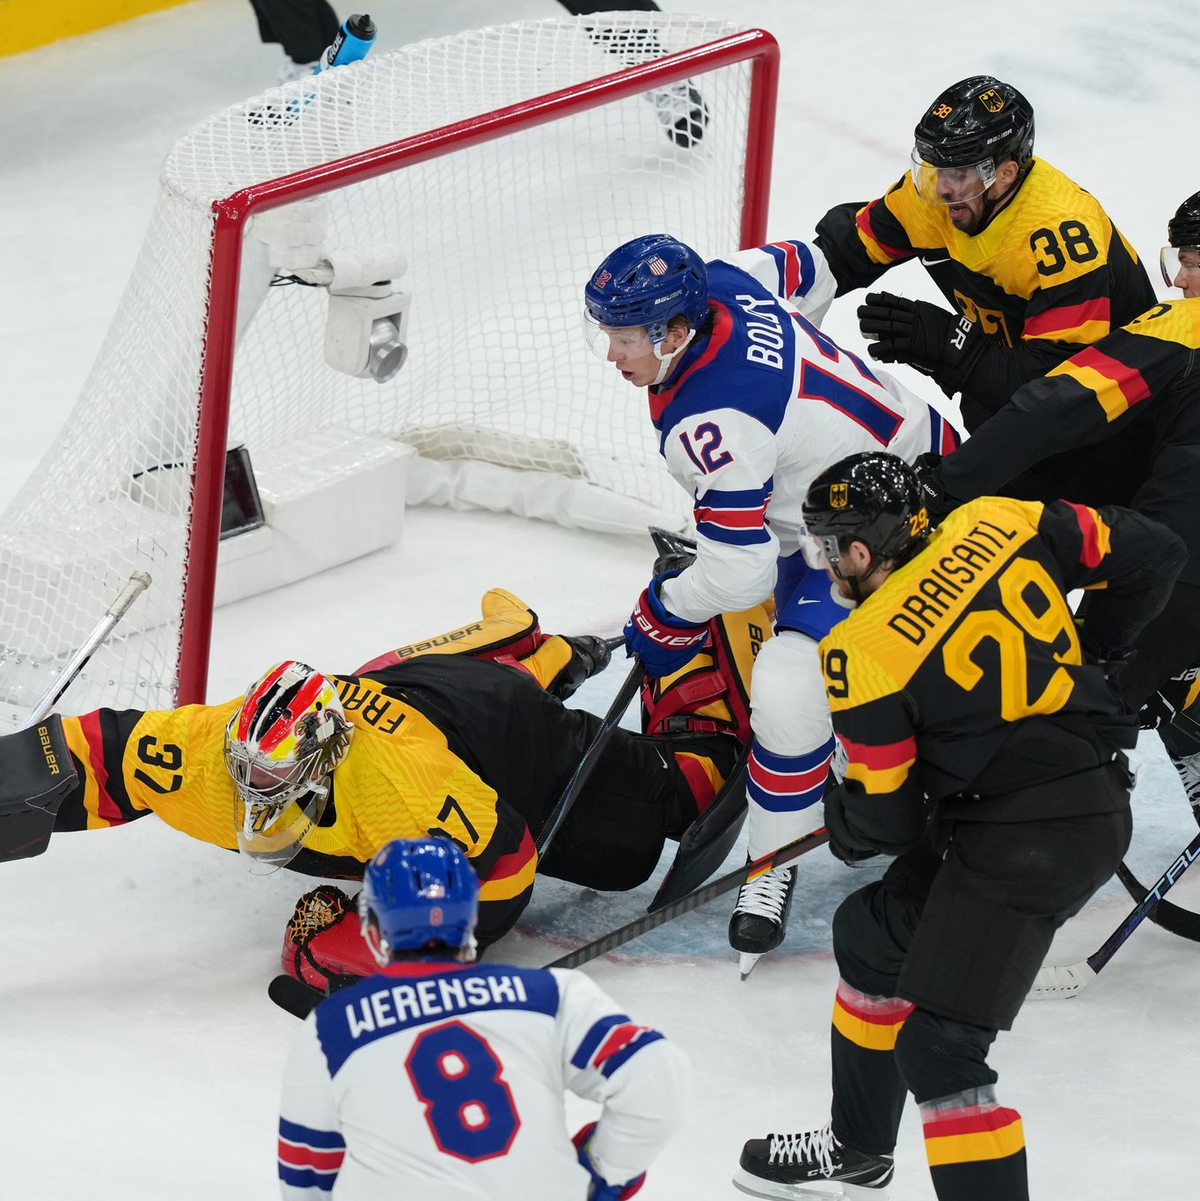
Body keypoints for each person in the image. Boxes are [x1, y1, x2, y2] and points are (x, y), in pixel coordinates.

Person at [734, 452, 1183, 1201]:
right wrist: (1101, 658)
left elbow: (887, 821)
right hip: (1047, 806)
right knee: (871, 934)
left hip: (1035, 842)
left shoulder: (861, 650)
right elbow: (1157, 551)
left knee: (940, 1049)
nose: (824, 563)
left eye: (828, 546)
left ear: (861, 551)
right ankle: (858, 1150)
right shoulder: (998, 519)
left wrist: (844, 819)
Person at [0, 587, 762, 979]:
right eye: (248, 773)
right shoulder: (209, 748)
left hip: (505, 739)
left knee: (665, 814)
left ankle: (705, 632)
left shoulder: (403, 792)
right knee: (423, 677)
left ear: (325, 757)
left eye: (275, 776)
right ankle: (529, 641)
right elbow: (86, 752)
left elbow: (505, 865)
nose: (255, 794)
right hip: (404, 689)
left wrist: (385, 943)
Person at [583, 232, 962, 975]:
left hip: (879, 535)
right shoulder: (728, 277)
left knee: (790, 687)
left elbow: (740, 574)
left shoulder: (714, 423)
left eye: (624, 337)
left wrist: (668, 610)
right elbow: (814, 265)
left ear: (675, 330)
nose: (611, 354)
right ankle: (819, 795)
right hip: (929, 460)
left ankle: (778, 856)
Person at [916, 188, 1200, 814]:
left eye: (1191, 262)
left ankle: (1007, 844)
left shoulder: (1187, 327)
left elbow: (1057, 407)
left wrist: (947, 486)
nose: (1179, 280)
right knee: (1167, 667)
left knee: (1065, 713)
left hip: (1175, 572)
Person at [278, 836, 689, 1200]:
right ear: (472, 917)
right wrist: (601, 1174)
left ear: (371, 927)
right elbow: (655, 1073)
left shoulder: (332, 1028)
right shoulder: (552, 996)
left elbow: (306, 1170)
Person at [810, 75, 1155, 436]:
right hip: (1012, 402)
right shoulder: (935, 199)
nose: (941, 189)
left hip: (1118, 426)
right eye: (934, 168)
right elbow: (845, 252)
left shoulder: (1060, 240)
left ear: (1005, 174)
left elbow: (1060, 393)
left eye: (959, 174)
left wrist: (950, 345)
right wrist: (782, 280)